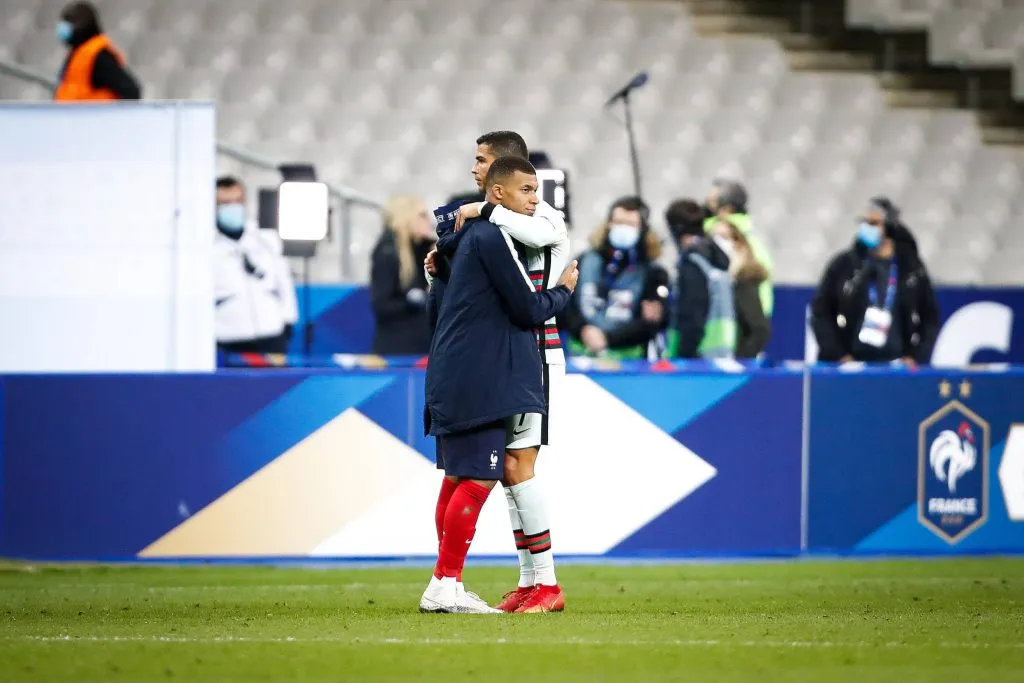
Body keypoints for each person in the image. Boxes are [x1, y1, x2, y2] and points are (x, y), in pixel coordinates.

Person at [419, 156, 578, 614]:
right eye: (526, 190)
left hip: (495, 363)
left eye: (482, 161)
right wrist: (564, 291)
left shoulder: (511, 225)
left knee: (483, 473)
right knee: (486, 473)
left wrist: (477, 215)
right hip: (490, 367)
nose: (474, 171)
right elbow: (522, 307)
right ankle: (468, 582)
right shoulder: (488, 232)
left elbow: (443, 312)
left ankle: (519, 582)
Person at [811, 197, 940, 366]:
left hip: (896, 367)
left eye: (873, 224)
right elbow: (821, 311)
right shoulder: (844, 265)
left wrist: (915, 357)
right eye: (865, 222)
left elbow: (930, 316)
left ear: (890, 229)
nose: (866, 228)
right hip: (852, 365)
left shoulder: (911, 268)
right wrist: (839, 356)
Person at [562, 197, 670, 359]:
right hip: (580, 357)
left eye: (631, 224)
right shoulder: (584, 261)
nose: (623, 228)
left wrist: (608, 339)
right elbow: (563, 304)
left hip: (628, 362)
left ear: (642, 229)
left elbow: (651, 321)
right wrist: (583, 330)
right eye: (618, 222)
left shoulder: (653, 272)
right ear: (609, 224)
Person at [214, 176, 298, 357]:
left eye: (237, 201)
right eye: (225, 203)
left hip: (271, 332)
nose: (232, 208)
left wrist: (288, 319)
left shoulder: (266, 239)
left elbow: (284, 281)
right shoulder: (206, 247)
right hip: (228, 336)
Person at [665, 200, 736, 359]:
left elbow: (692, 318)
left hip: (697, 360)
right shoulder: (715, 261)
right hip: (721, 357)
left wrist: (684, 355)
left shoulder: (693, 264)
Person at [369, 195, 435, 356]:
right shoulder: (388, 252)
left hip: (422, 347)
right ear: (406, 217)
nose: (429, 221)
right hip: (399, 352)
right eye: (422, 215)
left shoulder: (424, 250)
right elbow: (381, 305)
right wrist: (412, 301)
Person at [702, 179, 773, 318]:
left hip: (734, 315)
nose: (706, 206)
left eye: (712, 202)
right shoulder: (754, 240)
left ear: (726, 208)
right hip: (755, 317)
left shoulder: (720, 237)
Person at [708, 215, 771, 358]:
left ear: (738, 244)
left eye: (723, 237)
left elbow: (760, 330)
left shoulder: (743, 282)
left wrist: (740, 359)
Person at [53, 1, 141, 102]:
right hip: (73, 116)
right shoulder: (78, 52)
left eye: (69, 23)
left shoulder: (99, 55)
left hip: (92, 116)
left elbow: (130, 90)